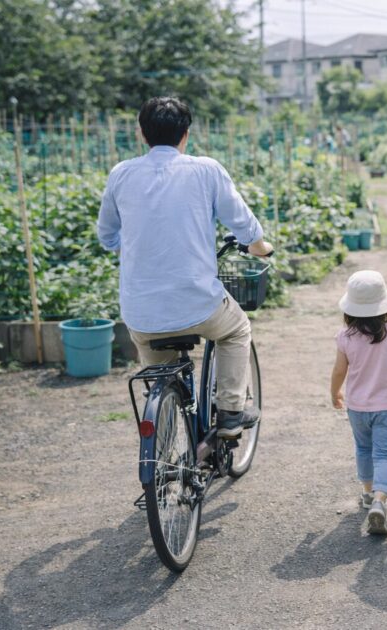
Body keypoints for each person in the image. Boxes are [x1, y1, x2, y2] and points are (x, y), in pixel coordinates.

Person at [96, 96, 274, 440]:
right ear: (186, 135)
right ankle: (231, 412)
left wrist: (135, 244)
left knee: (158, 376)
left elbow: (107, 236)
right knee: (236, 330)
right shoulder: (206, 169)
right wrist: (260, 248)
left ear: (142, 135)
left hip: (142, 313)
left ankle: (161, 453)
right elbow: (246, 226)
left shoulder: (121, 174)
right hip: (199, 306)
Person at [331, 270, 387, 536]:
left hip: (357, 407)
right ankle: (380, 500)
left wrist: (335, 392)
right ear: (385, 307)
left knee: (363, 449)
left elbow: (339, 371)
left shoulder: (345, 337)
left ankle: (368, 493)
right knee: (384, 455)